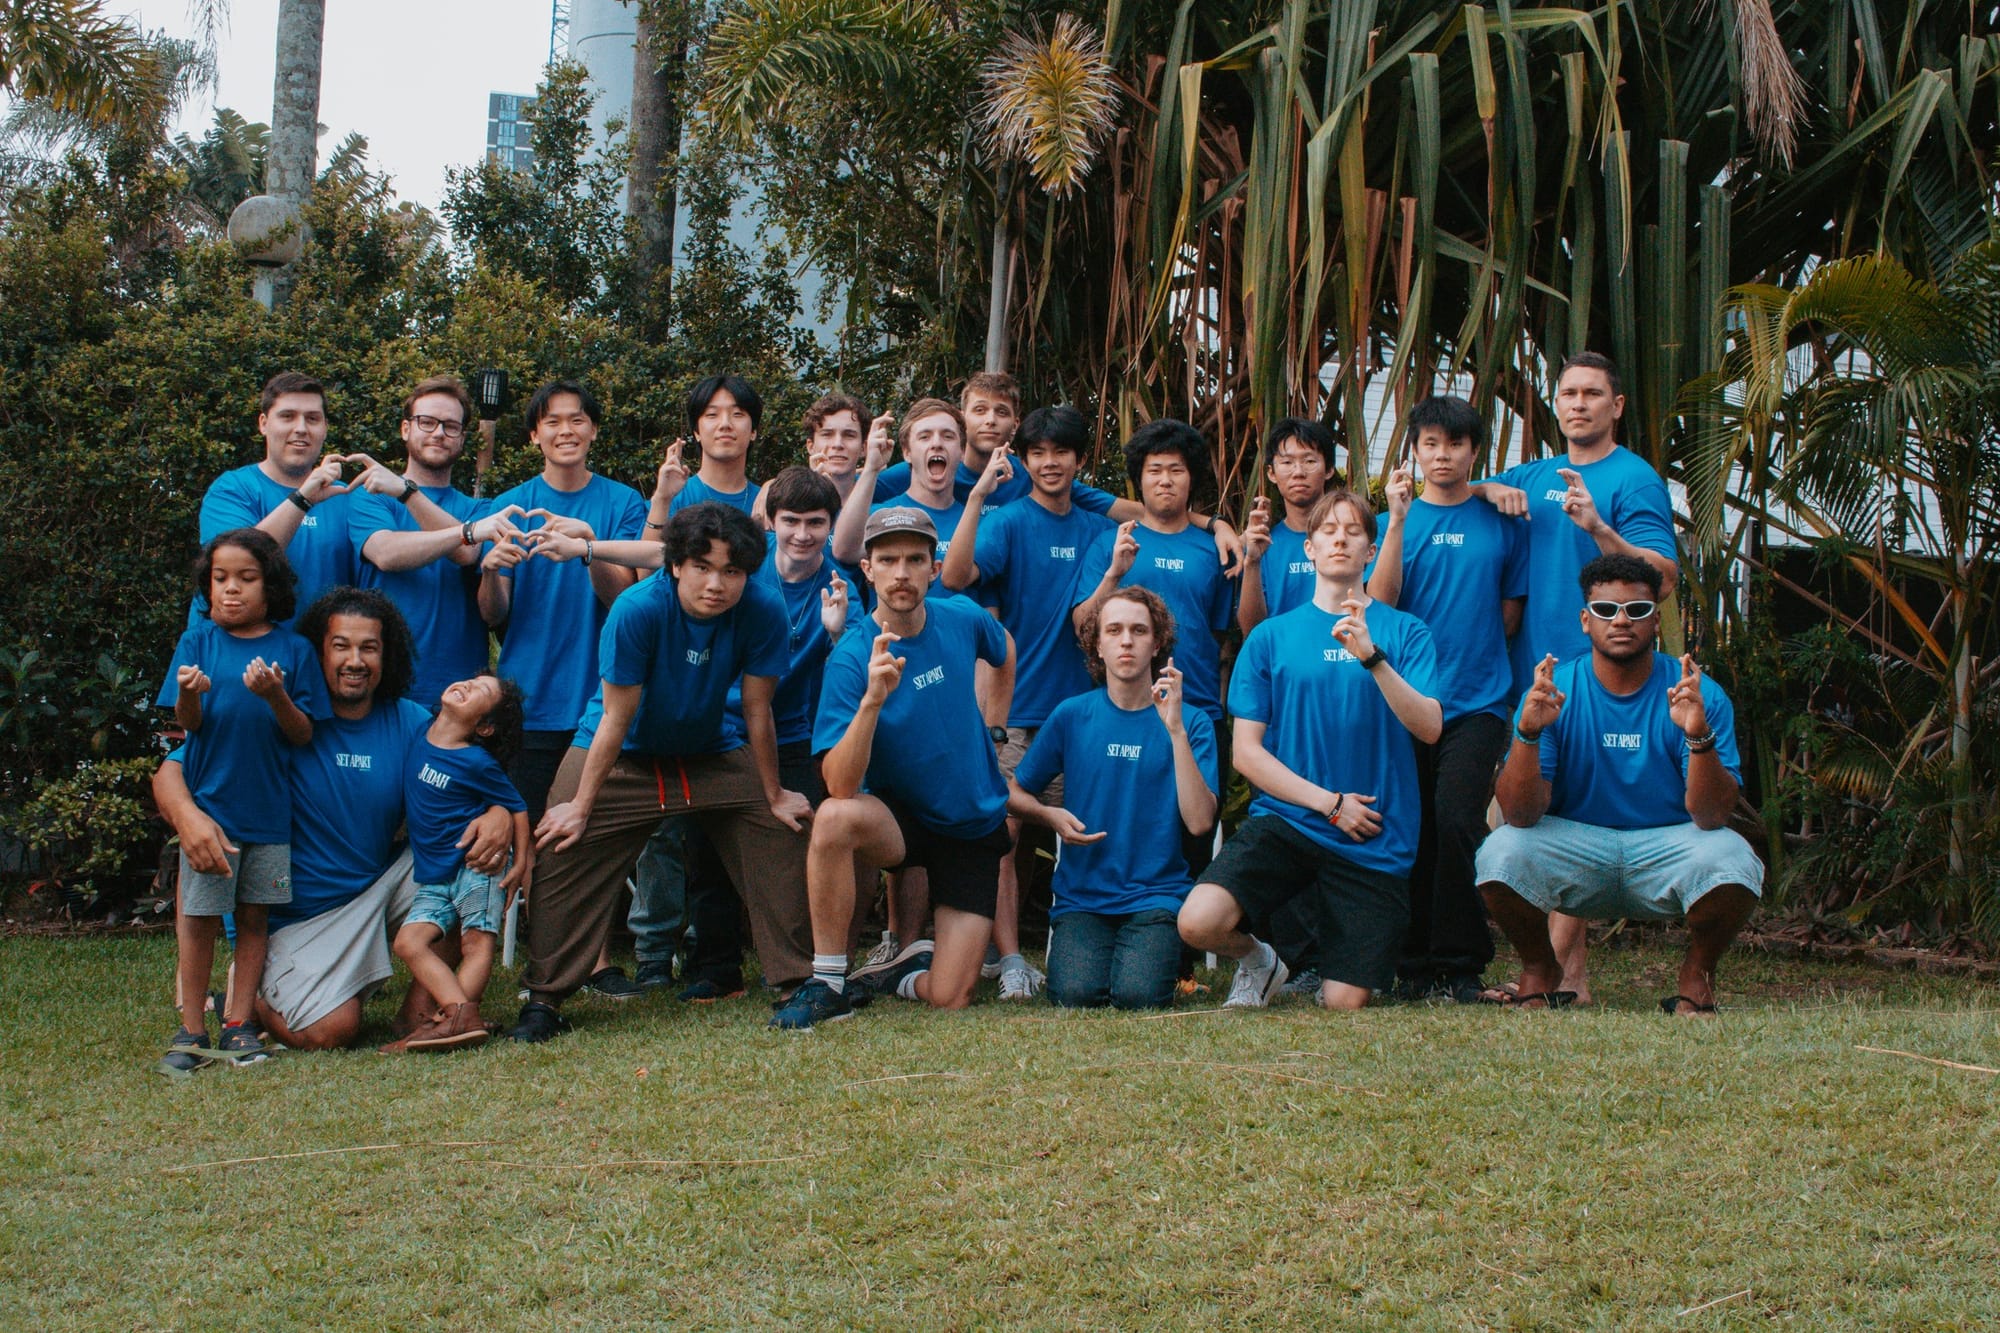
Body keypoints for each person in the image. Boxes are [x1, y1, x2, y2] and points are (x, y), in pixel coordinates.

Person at [152, 588, 517, 1053]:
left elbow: (469, 774)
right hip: (300, 918)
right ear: (317, 654)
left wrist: (498, 815)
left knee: (474, 854)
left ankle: (422, 1010)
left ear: (387, 655)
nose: (355, 661)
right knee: (332, 1031)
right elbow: (171, 772)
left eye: (370, 648)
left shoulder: (409, 722)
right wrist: (189, 818)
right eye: (340, 646)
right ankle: (254, 990)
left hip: (380, 886)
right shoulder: (281, 716)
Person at [507, 503, 816, 1043]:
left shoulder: (764, 608)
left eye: (731, 571)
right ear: (675, 565)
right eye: (702, 567)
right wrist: (581, 805)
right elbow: (616, 716)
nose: (716, 584)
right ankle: (545, 998)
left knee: (781, 828)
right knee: (561, 840)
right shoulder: (638, 609)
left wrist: (773, 793)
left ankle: (798, 982)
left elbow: (757, 709)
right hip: (623, 752)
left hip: (710, 751)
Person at [1177, 489, 1443, 1011]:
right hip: (1293, 820)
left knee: (1343, 1003)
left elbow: (1430, 727)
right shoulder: (1270, 637)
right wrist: (1329, 803)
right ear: (1309, 548)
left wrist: (1372, 658)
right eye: (1328, 531)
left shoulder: (1406, 632)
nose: (1340, 539)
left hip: (1373, 832)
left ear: (1371, 551)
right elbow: (1246, 754)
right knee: (1198, 921)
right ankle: (1261, 962)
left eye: (1353, 531)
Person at [1473, 352, 1680, 1002]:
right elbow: (1457, 487)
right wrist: (1487, 490)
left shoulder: (1634, 478)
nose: (1579, 403)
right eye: (1568, 393)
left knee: (1565, 814)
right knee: (1522, 815)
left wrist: (1598, 527)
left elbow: (1662, 578)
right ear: (1556, 404)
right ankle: (1567, 975)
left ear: (1616, 406)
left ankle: (1563, 976)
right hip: (1531, 678)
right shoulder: (1533, 475)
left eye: (1592, 393)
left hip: (1599, 682)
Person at [1477, 555, 1762, 1013]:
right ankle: (1540, 967)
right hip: (1577, 844)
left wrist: (1697, 735)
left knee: (1734, 861)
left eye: (1638, 610)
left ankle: (1697, 975)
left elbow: (1711, 816)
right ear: (1585, 621)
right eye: (1606, 610)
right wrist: (1528, 733)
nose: (1622, 621)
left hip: (1666, 844)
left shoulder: (1697, 694)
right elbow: (1521, 814)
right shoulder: (1555, 691)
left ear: (1656, 621)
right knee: (1499, 854)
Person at [775, 507, 1016, 1030]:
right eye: (887, 560)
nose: (901, 573)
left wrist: (995, 729)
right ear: (867, 569)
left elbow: (1005, 650)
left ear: (935, 567)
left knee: (951, 997)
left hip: (972, 826)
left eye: (915, 560)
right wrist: (872, 701)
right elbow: (839, 786)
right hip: (901, 821)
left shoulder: (963, 617)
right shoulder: (851, 658)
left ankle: (898, 974)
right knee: (834, 818)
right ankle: (829, 983)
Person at [941, 404, 1115, 998]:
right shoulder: (1009, 521)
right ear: (1023, 459)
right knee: (1004, 837)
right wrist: (975, 499)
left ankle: (1084, 949)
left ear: (1079, 460)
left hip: (1083, 711)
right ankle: (1011, 959)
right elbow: (955, 578)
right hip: (1013, 711)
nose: (1049, 463)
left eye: (1060, 452)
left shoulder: (1097, 531)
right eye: (1037, 452)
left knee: (1086, 833)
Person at [676, 466, 860, 1002]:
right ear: (770, 521)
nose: (803, 534)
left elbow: (855, 663)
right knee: (707, 848)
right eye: (791, 521)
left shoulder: (840, 586)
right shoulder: (746, 571)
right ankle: (716, 967)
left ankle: (801, 968)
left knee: (794, 849)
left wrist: (837, 633)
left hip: (795, 731)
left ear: (832, 525)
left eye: (816, 523)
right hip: (722, 725)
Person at [1366, 396, 1527, 1001]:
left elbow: (1509, 614)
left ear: (1474, 452)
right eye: (1430, 443)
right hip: (1406, 701)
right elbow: (1379, 605)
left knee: (1458, 822)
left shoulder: (1502, 523)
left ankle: (1460, 964)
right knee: (1411, 827)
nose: (1442, 455)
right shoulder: (1389, 523)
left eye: (1455, 444)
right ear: (1413, 450)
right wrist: (1397, 521)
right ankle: (1410, 963)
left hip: (1477, 702)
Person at [154, 530, 327, 1075]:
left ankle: (239, 1023)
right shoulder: (197, 641)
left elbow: (303, 733)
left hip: (270, 815)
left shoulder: (294, 650)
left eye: (246, 578)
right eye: (220, 578)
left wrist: (275, 695)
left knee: (254, 919)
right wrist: (188, 693)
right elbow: (189, 726)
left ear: (270, 586)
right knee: (199, 919)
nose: (231, 589)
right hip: (212, 812)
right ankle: (190, 1030)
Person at [1009, 588, 1219, 1009]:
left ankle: (1157, 959)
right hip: (1082, 898)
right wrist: (1050, 816)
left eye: (1139, 631)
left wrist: (1175, 731)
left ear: (1156, 644)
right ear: (1097, 646)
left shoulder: (1191, 722)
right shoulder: (1072, 715)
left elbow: (1200, 823)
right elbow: (1013, 792)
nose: (1126, 641)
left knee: (1138, 996)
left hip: (1156, 896)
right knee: (1076, 996)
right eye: (1114, 630)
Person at [478, 380, 648, 823]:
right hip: (528, 701)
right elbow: (493, 614)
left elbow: (625, 600)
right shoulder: (510, 506)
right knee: (524, 831)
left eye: (577, 420)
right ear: (535, 435)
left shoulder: (625, 503)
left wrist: (589, 549)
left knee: (589, 836)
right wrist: (490, 570)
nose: (566, 430)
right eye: (552, 422)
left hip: (603, 702)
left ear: (593, 430)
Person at [348, 375, 525, 707]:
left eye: (451, 426)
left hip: (459, 693)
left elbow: (468, 554)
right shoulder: (372, 495)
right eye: (427, 422)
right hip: (381, 687)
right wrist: (466, 531)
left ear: (462, 438)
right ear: (405, 429)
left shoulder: (481, 509)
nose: (439, 433)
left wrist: (407, 493)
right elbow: (386, 553)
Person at [384, 674, 533, 1051]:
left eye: (481, 690)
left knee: (477, 945)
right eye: (472, 679)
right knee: (408, 943)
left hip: (476, 867)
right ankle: (460, 1014)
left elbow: (516, 808)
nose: (468, 684)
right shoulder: (419, 734)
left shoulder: (476, 761)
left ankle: (452, 1021)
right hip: (435, 875)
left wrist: (519, 864)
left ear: (484, 727)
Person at [1072, 419, 1236, 752]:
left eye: (1176, 470)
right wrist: (1114, 574)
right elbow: (1082, 627)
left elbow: (1220, 635)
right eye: (1154, 470)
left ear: (1192, 478)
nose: (1165, 480)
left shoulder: (1214, 550)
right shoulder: (1111, 543)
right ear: (1139, 479)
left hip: (1198, 708)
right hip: (1121, 710)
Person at [193, 372, 356, 627]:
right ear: (263, 423)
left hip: (312, 650)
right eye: (287, 416)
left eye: (312, 419)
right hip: (232, 647)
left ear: (325, 428)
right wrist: (303, 499)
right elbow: (239, 561)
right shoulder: (232, 489)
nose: (301, 428)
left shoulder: (347, 497)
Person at [1237, 417, 1339, 633]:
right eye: (1287, 463)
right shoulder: (1262, 545)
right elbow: (1251, 630)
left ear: (1329, 469)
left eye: (1309, 461)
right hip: (1280, 653)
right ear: (1271, 473)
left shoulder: (1348, 538)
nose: (1298, 472)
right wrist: (1252, 561)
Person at [662, 374, 764, 517]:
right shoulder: (673, 495)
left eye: (737, 414)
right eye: (712, 414)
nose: (725, 424)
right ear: (696, 432)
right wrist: (662, 500)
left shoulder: (766, 501)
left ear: (753, 431)